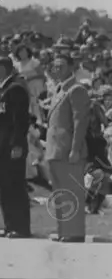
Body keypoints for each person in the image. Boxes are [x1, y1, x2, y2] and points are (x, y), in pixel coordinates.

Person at [43, 53, 89, 242]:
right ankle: (64, 231)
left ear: (71, 67)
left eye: (61, 66)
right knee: (60, 193)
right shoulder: (58, 90)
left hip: (68, 148)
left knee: (72, 192)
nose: (57, 70)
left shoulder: (76, 89)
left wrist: (75, 149)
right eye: (54, 67)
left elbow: (80, 121)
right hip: (55, 149)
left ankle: (75, 232)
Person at [0, 56, 32, 238]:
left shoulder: (16, 89)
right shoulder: (1, 89)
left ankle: (20, 228)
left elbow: (20, 121)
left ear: (3, 69)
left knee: (15, 187)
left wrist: (17, 145)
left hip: (11, 147)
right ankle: (9, 225)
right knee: (5, 188)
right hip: (0, 146)